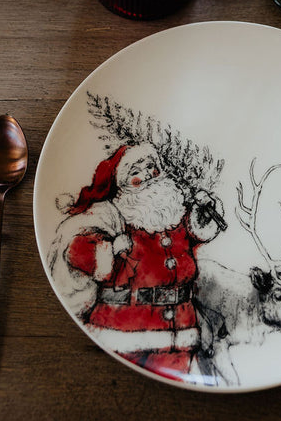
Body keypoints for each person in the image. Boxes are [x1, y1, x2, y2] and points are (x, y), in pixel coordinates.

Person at [49, 142, 224, 380]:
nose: (147, 174)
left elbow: (196, 233)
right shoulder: (114, 216)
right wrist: (109, 250)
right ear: (122, 183)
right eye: (136, 171)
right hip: (122, 333)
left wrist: (203, 214)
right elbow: (76, 250)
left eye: (151, 166)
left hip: (181, 335)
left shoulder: (174, 215)